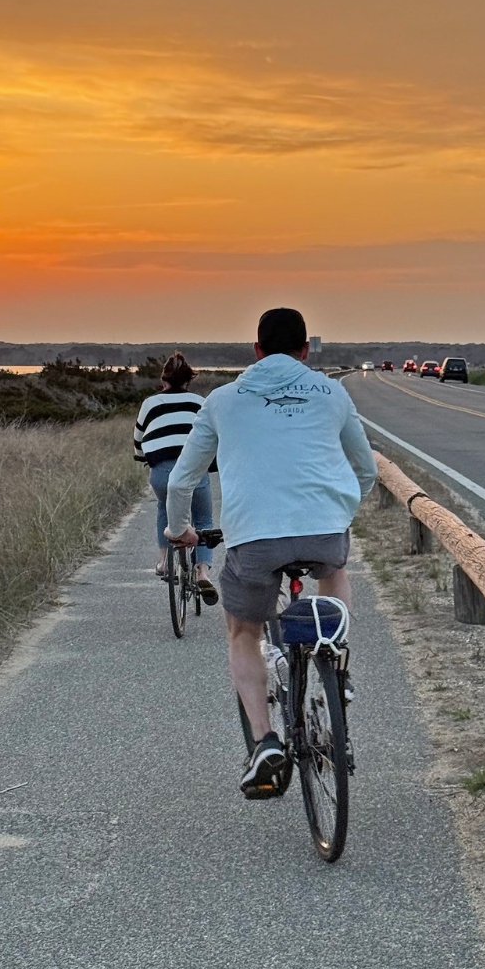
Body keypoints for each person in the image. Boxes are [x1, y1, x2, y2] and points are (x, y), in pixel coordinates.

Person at [166, 308, 376, 796]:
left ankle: (264, 742)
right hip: (323, 527)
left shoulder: (221, 400)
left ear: (256, 351)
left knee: (243, 629)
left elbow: (182, 480)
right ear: (305, 351)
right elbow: (364, 471)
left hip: (254, 537)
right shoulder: (333, 392)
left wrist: (180, 530)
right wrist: (339, 515)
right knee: (335, 571)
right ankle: (336, 660)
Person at [133, 352, 218, 603]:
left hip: (162, 470)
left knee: (164, 506)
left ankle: (164, 562)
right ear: (188, 381)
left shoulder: (150, 403)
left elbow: (139, 439)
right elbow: (209, 437)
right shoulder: (199, 402)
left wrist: (142, 458)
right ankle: (203, 572)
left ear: (164, 380)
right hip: (194, 470)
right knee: (203, 519)